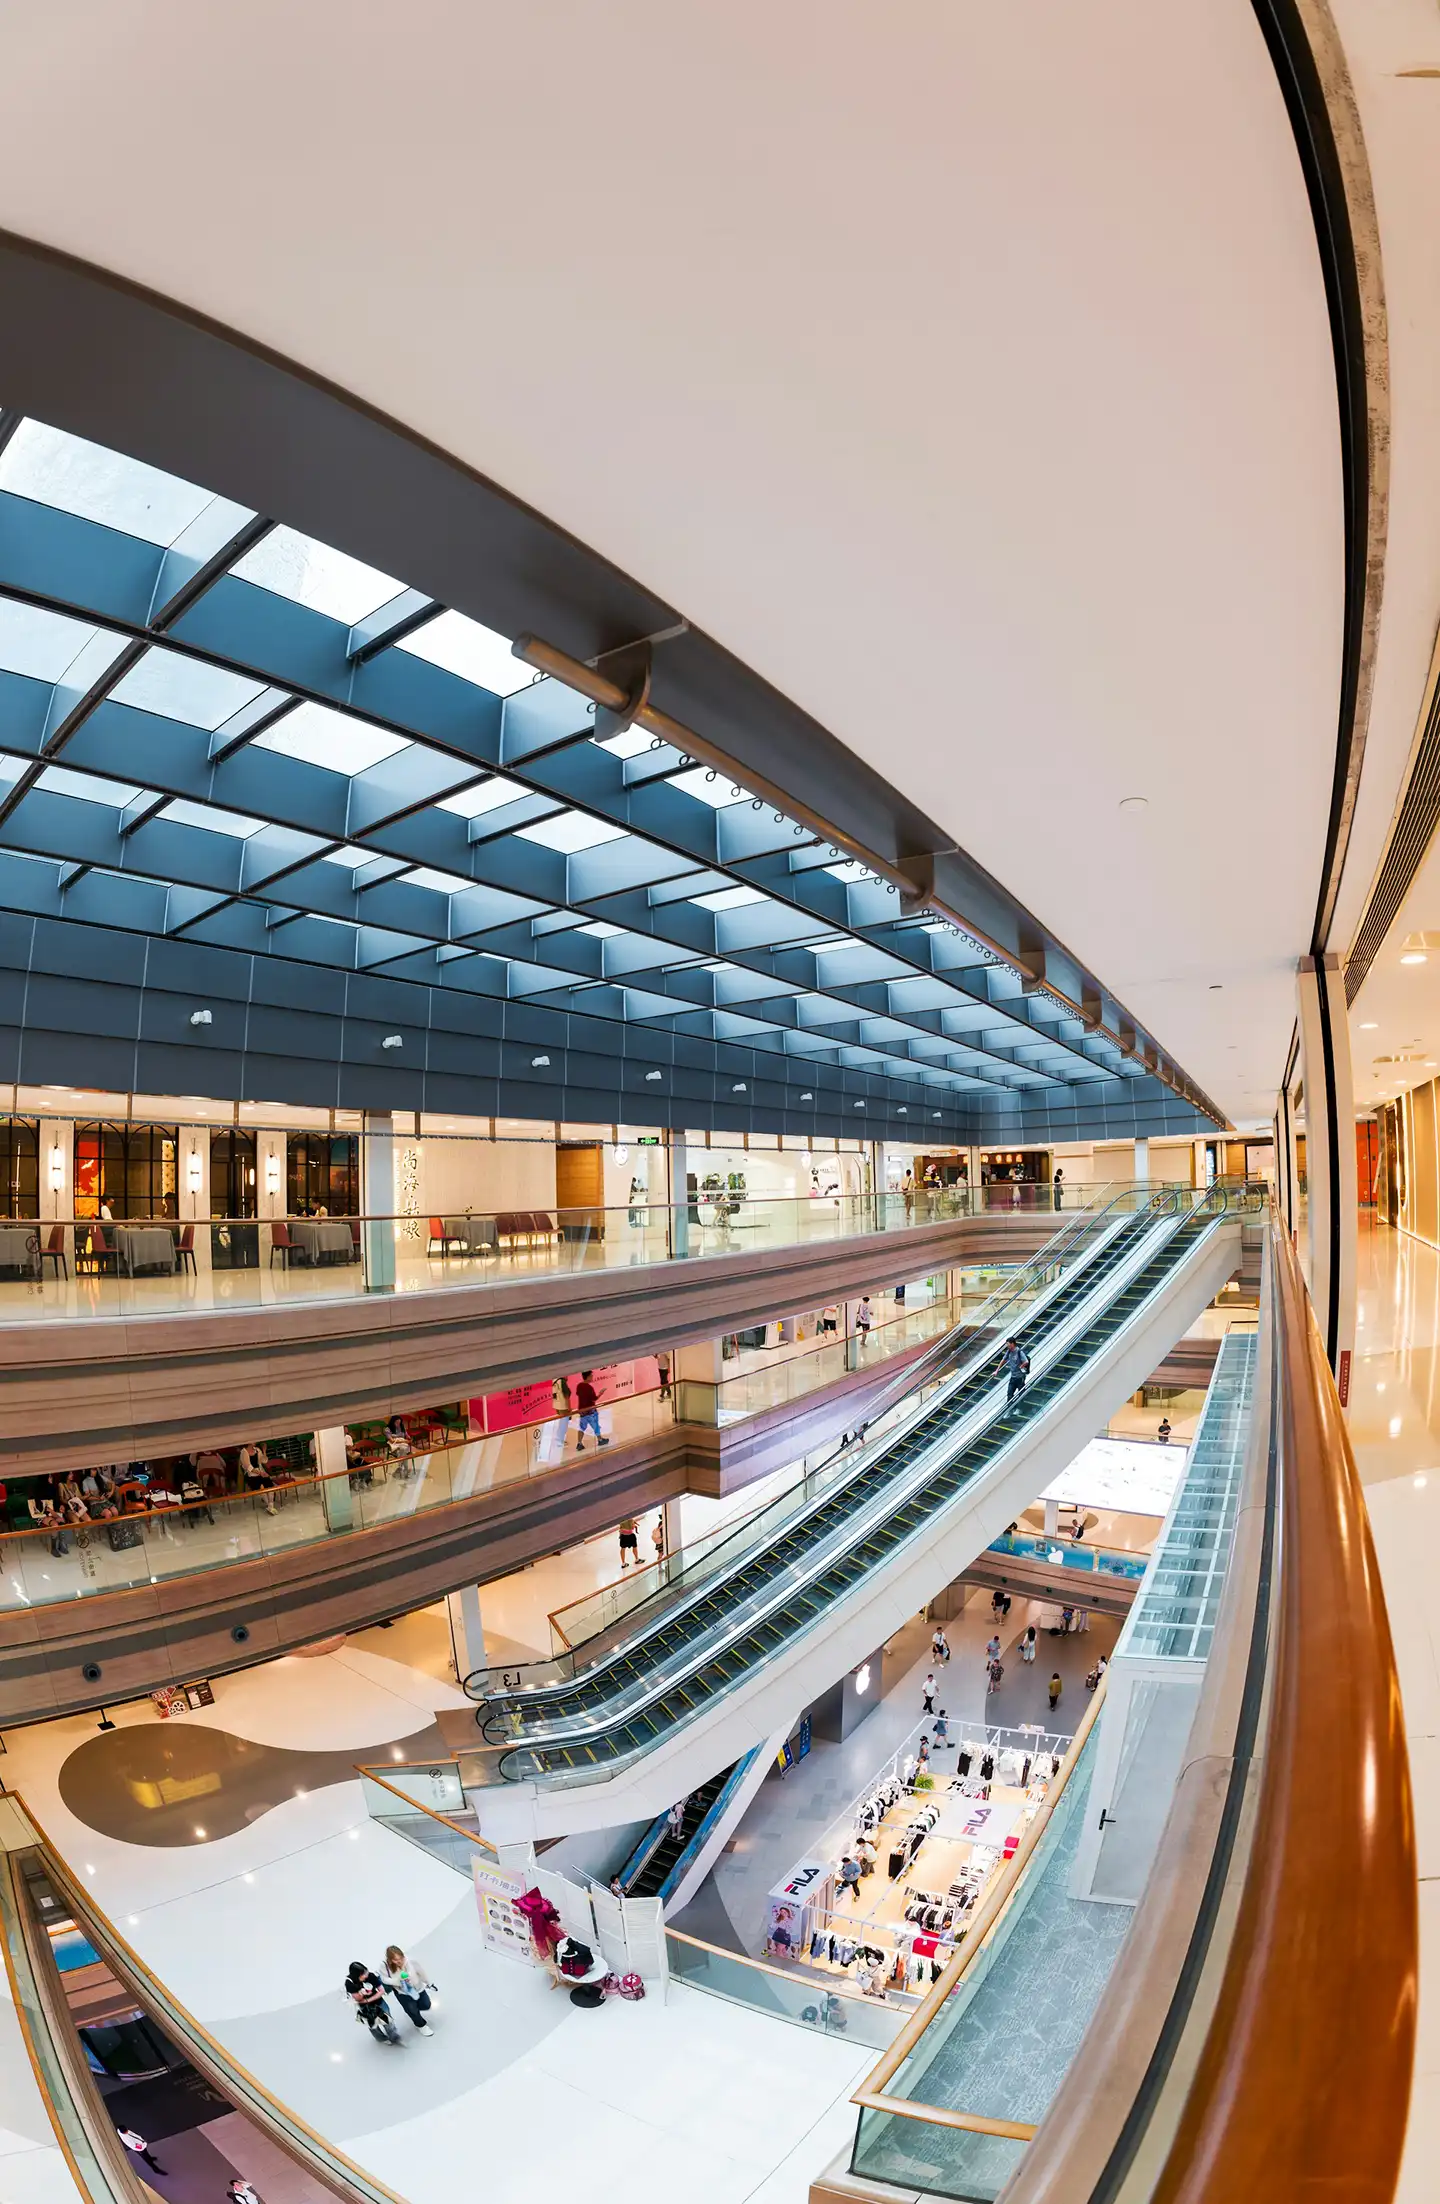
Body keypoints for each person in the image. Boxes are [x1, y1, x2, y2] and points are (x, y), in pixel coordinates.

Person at [382, 1945, 435, 2035]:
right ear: (390, 1960)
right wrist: (398, 1981)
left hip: (418, 1988)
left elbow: (421, 1972)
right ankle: (420, 2025)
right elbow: (384, 1979)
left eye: (400, 1958)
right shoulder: (385, 1966)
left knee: (426, 2005)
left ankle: (415, 2011)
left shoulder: (411, 1961)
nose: (399, 1961)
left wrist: (428, 1983)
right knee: (412, 2010)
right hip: (403, 1993)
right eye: (395, 1959)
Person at [345, 1960, 401, 2045]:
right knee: (373, 2025)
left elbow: (381, 1991)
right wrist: (362, 1993)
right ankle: (381, 2038)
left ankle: (394, 2036)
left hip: (379, 2002)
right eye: (363, 1974)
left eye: (366, 1972)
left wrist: (368, 1999)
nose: (366, 1976)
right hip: (365, 2008)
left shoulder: (370, 1976)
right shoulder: (350, 1983)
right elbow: (358, 1999)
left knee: (388, 2021)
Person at [239, 1441, 276, 1516]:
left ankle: (270, 1506)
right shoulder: (243, 1452)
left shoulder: (257, 1450)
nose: (255, 1442)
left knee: (269, 1484)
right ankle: (269, 1506)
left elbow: (264, 1461)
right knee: (260, 1487)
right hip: (251, 1474)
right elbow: (248, 1466)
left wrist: (264, 1451)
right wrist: (260, 1473)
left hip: (260, 1471)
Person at [574, 1370, 608, 1451]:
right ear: (588, 1376)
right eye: (591, 1376)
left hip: (582, 1411)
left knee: (582, 1427)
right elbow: (594, 1399)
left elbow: (579, 1394)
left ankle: (579, 1443)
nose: (592, 1377)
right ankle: (600, 1440)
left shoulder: (579, 1385)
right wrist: (600, 1393)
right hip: (590, 1410)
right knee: (595, 1425)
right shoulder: (589, 1387)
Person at [1002, 1337, 1030, 1403]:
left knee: (1021, 1394)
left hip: (1020, 1377)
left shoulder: (1019, 1352)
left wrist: (1021, 1366)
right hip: (1013, 1377)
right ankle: (1009, 1408)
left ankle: (1022, 1408)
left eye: (1008, 1344)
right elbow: (1003, 1360)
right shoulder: (1009, 1351)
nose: (1007, 1345)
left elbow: (1026, 1361)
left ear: (1012, 1344)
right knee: (1009, 1393)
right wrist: (997, 1370)